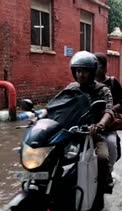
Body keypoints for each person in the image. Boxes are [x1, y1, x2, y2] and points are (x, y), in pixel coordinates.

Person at [35, 51, 115, 195]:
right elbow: (54, 107)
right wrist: (38, 118)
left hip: (91, 135)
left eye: (84, 71)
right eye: (78, 71)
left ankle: (102, 188)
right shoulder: (71, 88)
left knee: (102, 158)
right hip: (67, 133)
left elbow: (109, 111)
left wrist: (99, 125)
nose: (81, 75)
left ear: (92, 71)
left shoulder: (103, 90)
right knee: (43, 155)